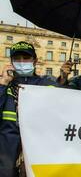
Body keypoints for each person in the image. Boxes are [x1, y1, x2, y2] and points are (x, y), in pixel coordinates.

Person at [0, 41, 57, 177]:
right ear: (11, 62)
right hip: (6, 157)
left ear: (35, 60)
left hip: (38, 155)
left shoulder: (47, 85)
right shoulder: (4, 86)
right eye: (17, 59)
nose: (21, 62)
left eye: (26, 58)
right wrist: (3, 84)